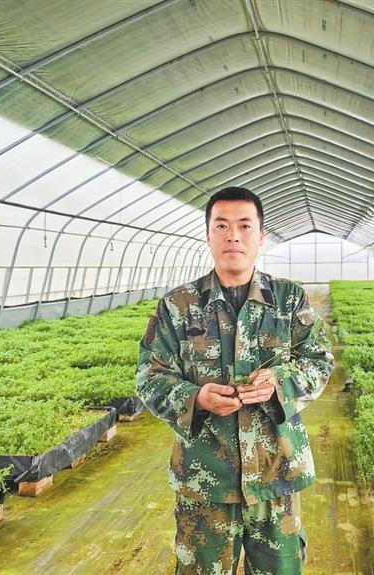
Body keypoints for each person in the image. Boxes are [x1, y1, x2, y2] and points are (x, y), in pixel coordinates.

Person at [136, 186, 334, 574]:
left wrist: (279, 382)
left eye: (244, 226)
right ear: (208, 234)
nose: (233, 236)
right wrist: (195, 397)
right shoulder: (178, 306)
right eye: (222, 225)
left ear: (261, 236)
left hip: (276, 475)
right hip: (205, 480)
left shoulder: (288, 299)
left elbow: (319, 361)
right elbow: (150, 377)